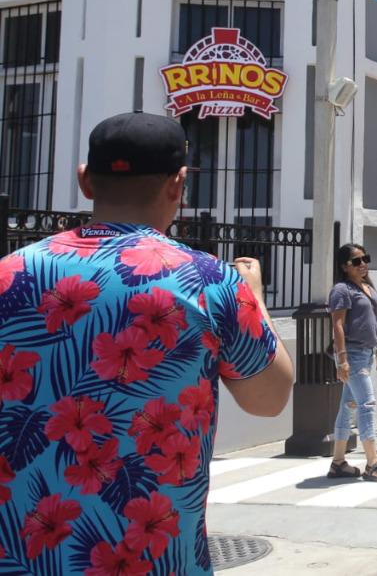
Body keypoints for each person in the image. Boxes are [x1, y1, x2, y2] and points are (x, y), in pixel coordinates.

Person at [0, 112, 292, 574]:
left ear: (84, 181)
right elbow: (269, 398)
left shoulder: (9, 273)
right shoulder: (209, 281)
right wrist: (254, 297)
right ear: (178, 183)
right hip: (156, 559)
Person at [328, 243, 377, 482]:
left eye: (365, 258)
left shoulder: (367, 287)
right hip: (353, 354)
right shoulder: (341, 290)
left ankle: (338, 463)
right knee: (366, 404)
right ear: (344, 266)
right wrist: (342, 359)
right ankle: (373, 464)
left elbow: (372, 322)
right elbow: (337, 325)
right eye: (356, 261)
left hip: (367, 352)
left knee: (348, 406)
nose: (363, 264)